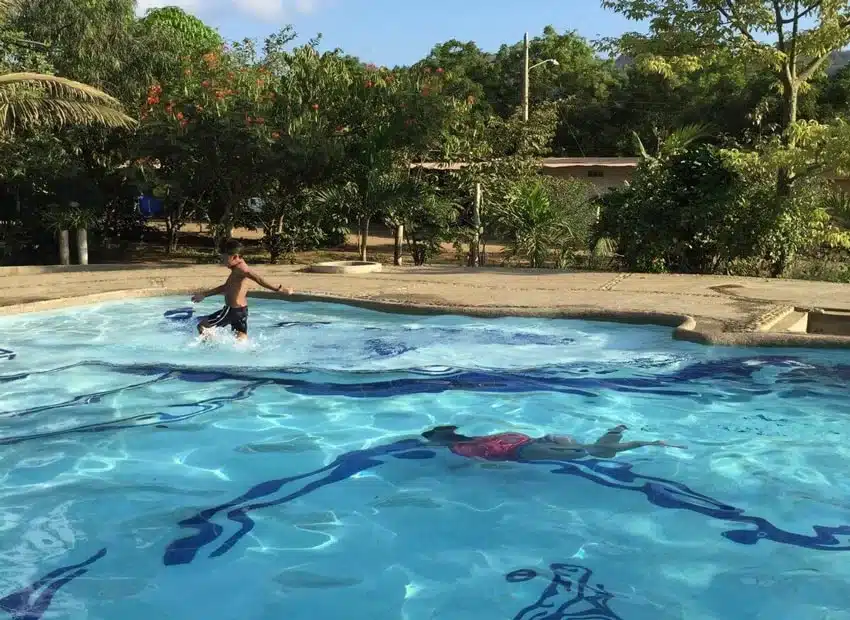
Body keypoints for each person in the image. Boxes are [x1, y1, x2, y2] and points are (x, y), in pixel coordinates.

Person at [190, 239, 294, 340]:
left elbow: (258, 279)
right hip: (241, 310)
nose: (223, 262)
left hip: (232, 310)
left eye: (224, 259)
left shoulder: (241, 269)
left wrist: (279, 289)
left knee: (202, 326)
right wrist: (204, 294)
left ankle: (209, 349)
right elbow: (225, 287)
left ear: (235, 257)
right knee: (240, 337)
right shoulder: (237, 268)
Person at [421, 424, 685, 462]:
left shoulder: (458, 448)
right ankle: (625, 436)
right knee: (589, 449)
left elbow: (484, 464)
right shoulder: (482, 439)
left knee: (589, 451)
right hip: (530, 442)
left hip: (525, 450)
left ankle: (646, 442)